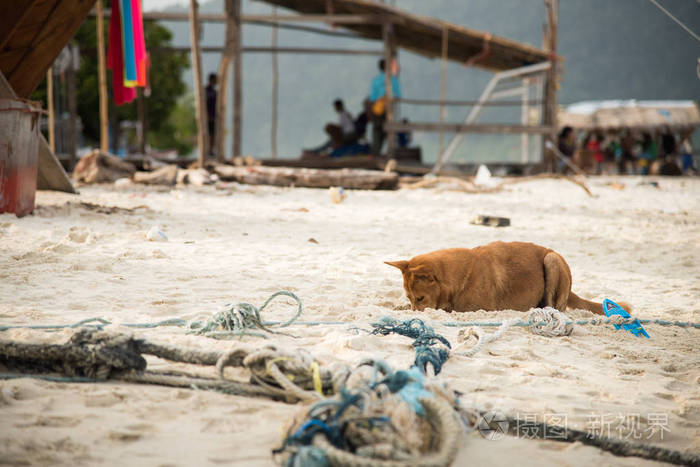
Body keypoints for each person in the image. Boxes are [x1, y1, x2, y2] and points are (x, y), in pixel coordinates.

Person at [369, 58, 402, 156]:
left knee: (377, 132)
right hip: (388, 111)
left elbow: (372, 99)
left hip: (377, 111)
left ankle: (376, 153)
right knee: (388, 132)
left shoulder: (376, 81)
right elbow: (398, 96)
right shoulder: (393, 80)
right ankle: (389, 153)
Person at [205, 73, 217, 157]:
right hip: (207, 117)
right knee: (207, 134)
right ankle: (207, 150)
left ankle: (211, 151)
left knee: (213, 135)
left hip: (213, 116)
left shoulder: (214, 92)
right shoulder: (206, 91)